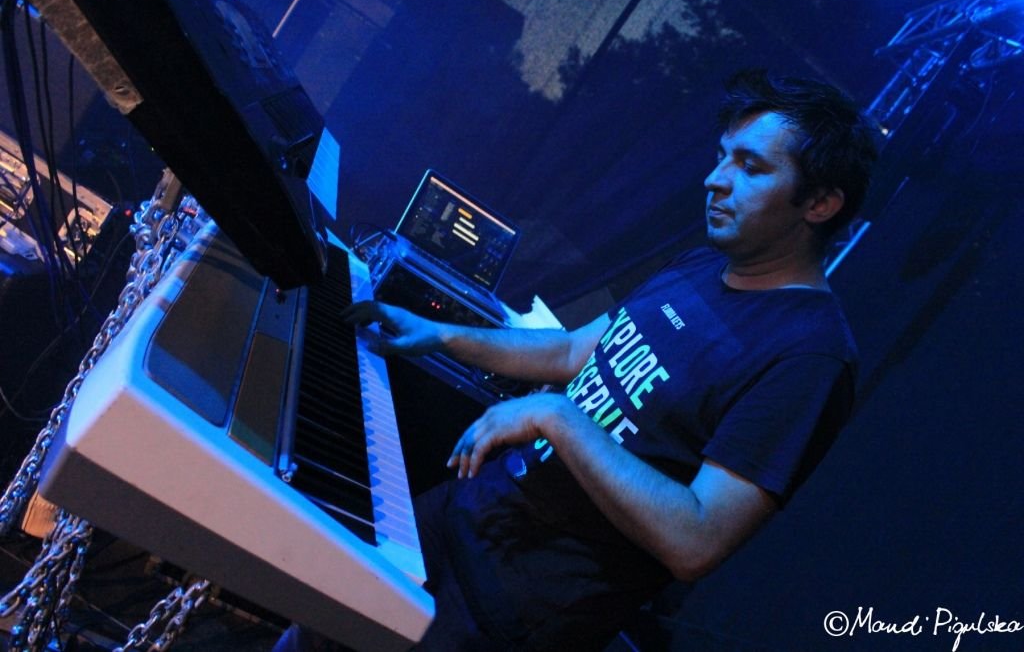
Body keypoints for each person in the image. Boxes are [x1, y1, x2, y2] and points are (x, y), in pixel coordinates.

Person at [277, 69, 878, 651]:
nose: (715, 180)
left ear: (820, 203)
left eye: (750, 166)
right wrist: (440, 334)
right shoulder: (702, 265)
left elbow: (696, 540)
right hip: (457, 515)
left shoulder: (811, 356)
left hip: (511, 607)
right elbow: (572, 350)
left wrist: (558, 418)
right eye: (722, 156)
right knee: (310, 631)